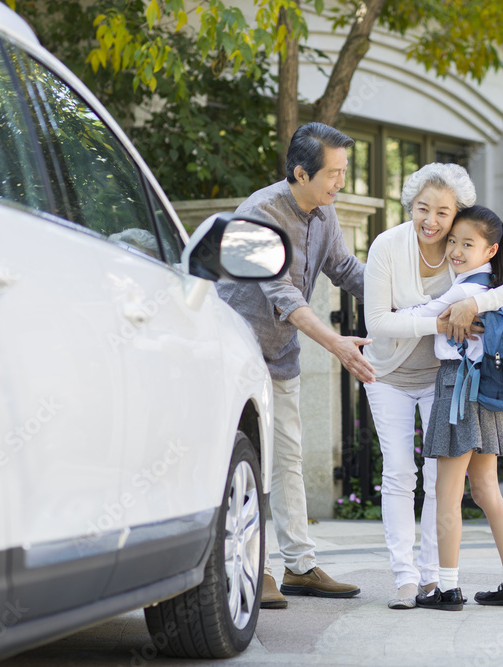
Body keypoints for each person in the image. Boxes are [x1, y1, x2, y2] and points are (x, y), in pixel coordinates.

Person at [217, 122, 376, 609]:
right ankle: (255, 566)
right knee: (249, 461)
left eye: (344, 172)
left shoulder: (324, 214)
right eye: (333, 173)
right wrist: (337, 345)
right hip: (236, 353)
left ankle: (300, 566)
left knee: (287, 457)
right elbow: (283, 294)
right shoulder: (255, 217)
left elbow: (347, 271)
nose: (340, 183)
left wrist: (410, 307)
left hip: (281, 354)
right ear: (301, 172)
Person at [362, 164, 503, 609]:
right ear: (411, 206)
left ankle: (439, 582)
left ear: (457, 214)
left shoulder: (468, 247)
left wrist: (475, 301)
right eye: (423, 209)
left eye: (443, 213)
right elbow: (378, 322)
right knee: (404, 474)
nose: (433, 222)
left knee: (447, 484)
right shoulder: (389, 245)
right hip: (394, 374)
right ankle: (411, 578)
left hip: (451, 384)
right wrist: (437, 320)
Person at [406, 205, 503, 611]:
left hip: (456, 385)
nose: (456, 250)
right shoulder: (495, 288)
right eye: (453, 241)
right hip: (488, 389)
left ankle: (447, 588)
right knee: (487, 491)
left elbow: (421, 317)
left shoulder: (463, 291)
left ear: (491, 250)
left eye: (467, 244)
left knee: (446, 494)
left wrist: (392, 314)